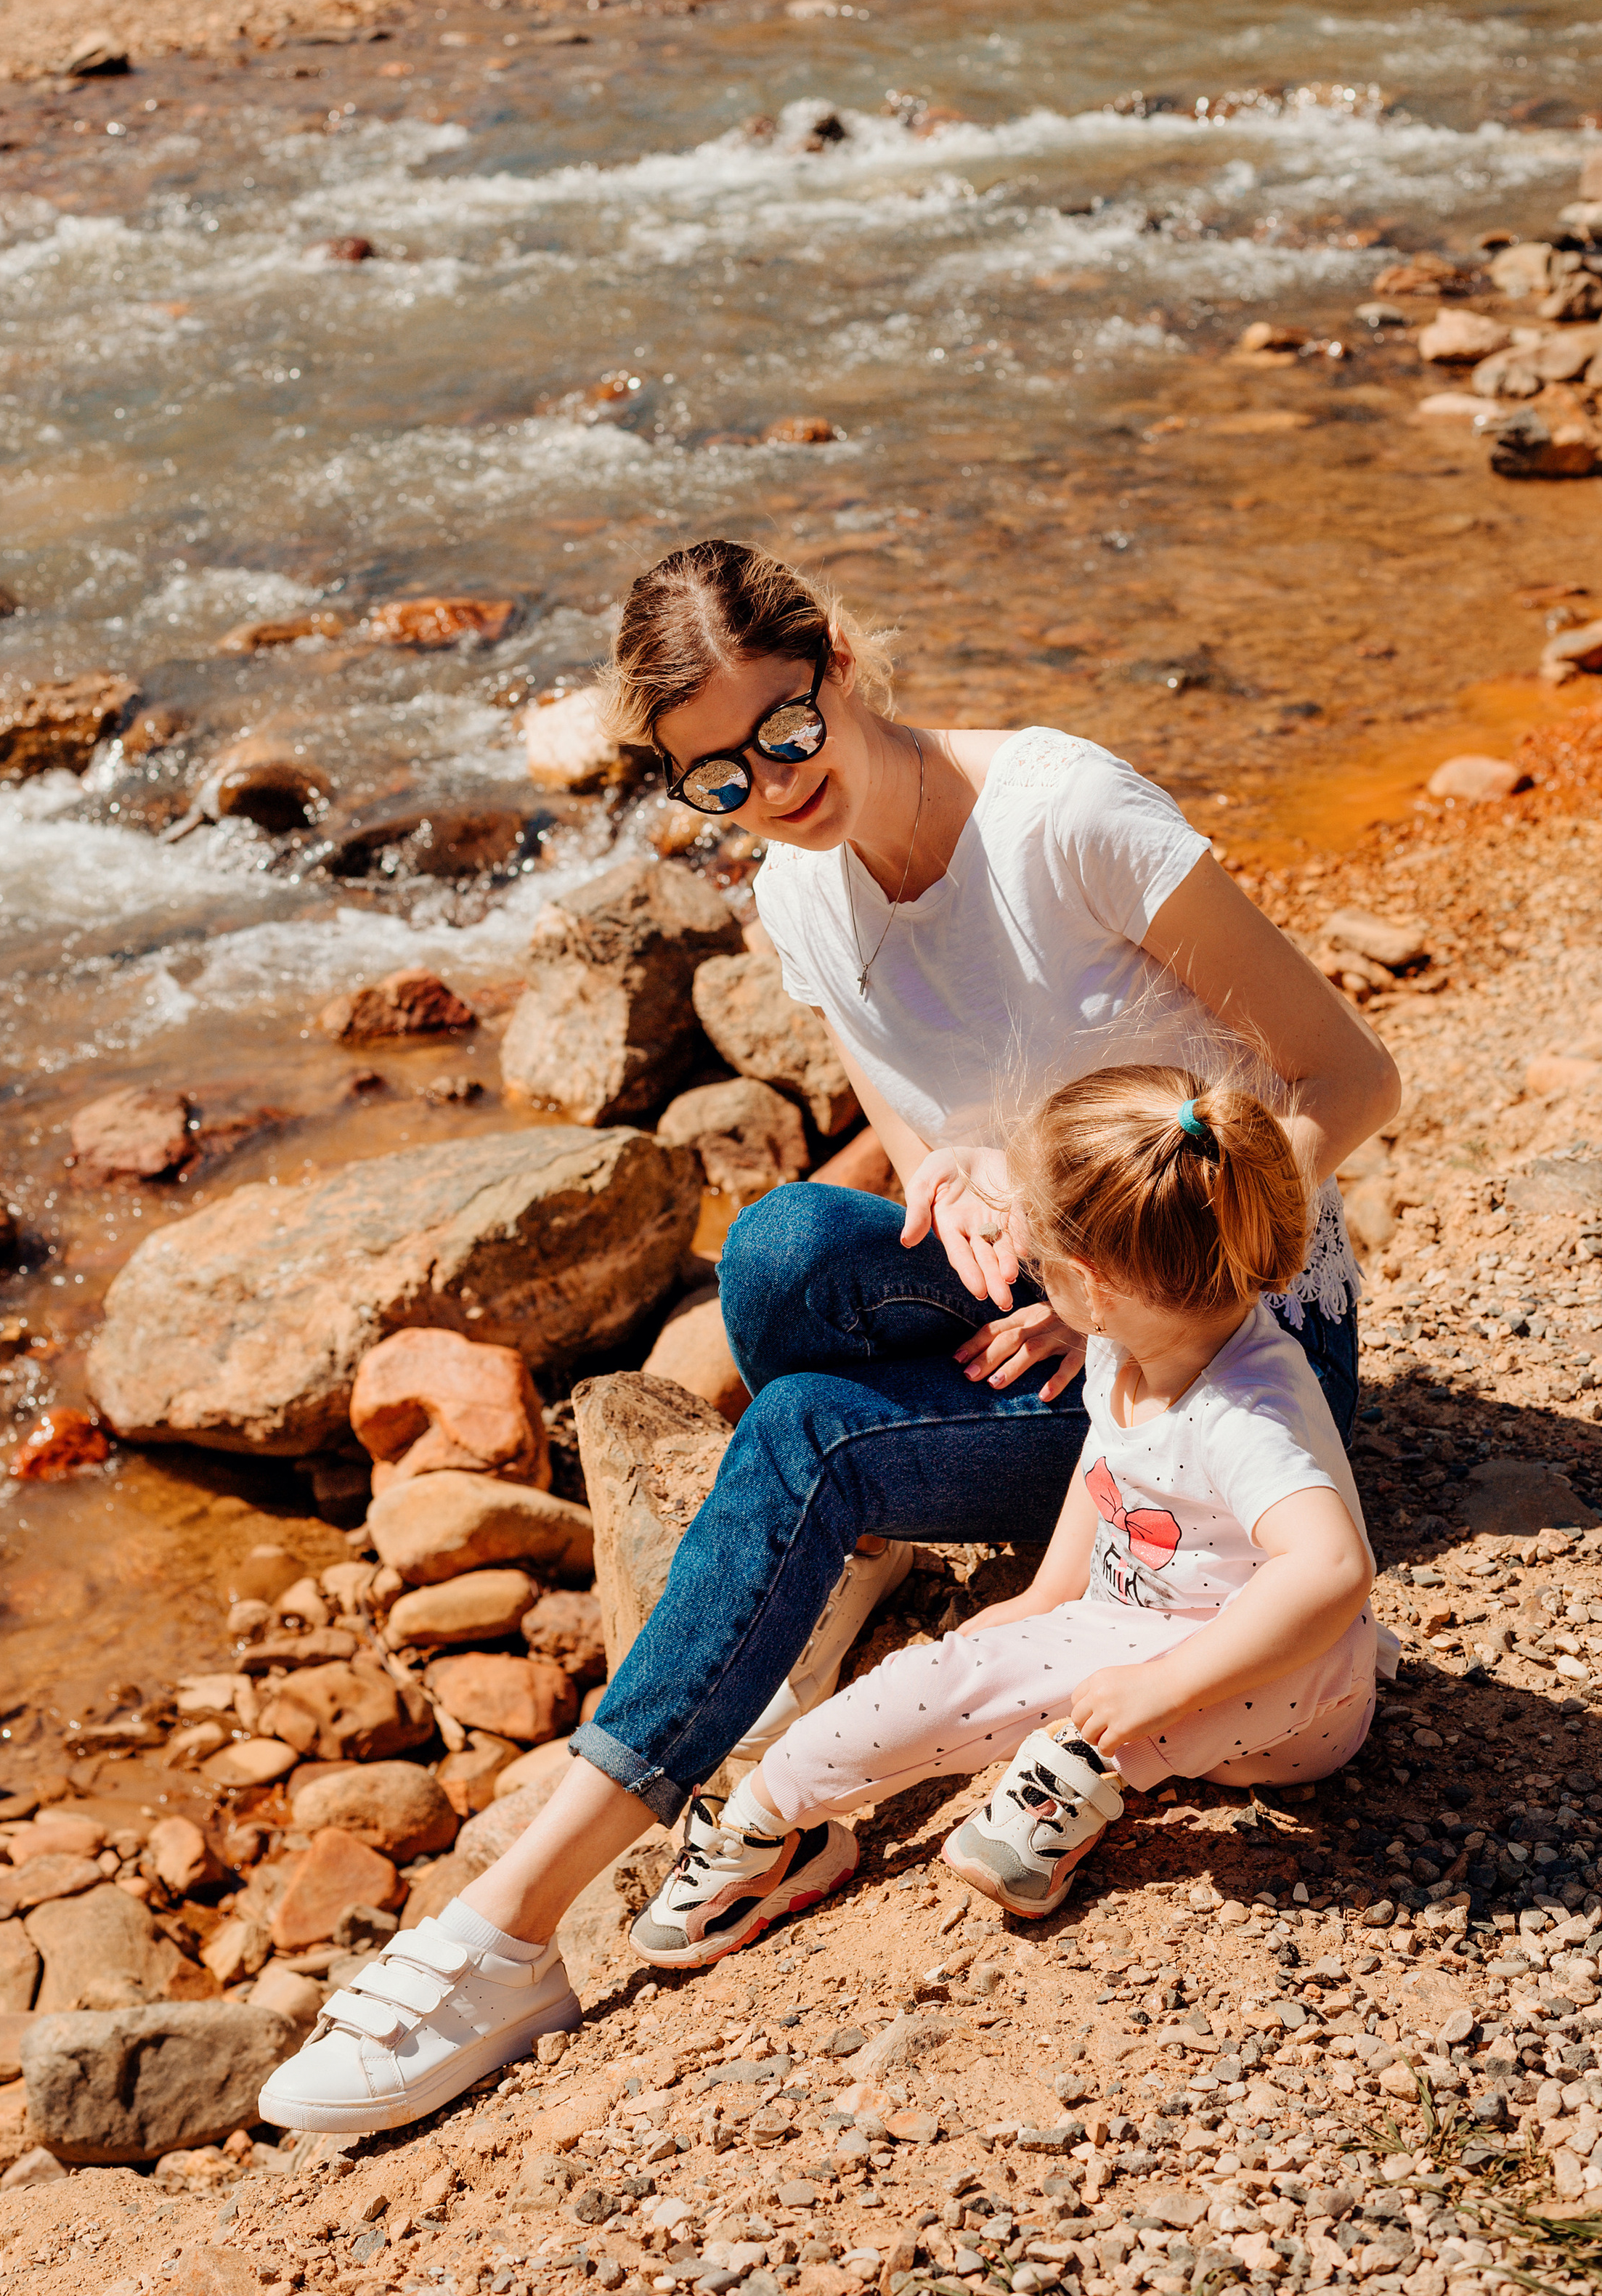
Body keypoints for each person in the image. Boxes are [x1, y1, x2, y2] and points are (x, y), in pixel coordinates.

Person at [257, 543, 1399, 2136]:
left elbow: (1349, 1080)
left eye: (783, 735)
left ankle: (505, 1928)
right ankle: (835, 1547)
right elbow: (913, 1114)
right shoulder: (794, 884)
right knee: (786, 1252)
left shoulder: (1064, 820)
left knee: (797, 1427)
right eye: (712, 773)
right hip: (1071, 1289)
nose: (765, 786)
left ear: (843, 668)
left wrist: (1143, 1321)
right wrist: (949, 1176)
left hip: (1227, 1314)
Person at [633, 1064, 1378, 1958]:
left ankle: (1077, 1775)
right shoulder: (1125, 1342)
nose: (1024, 1270)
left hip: (1276, 1707)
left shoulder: (1247, 1409)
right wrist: (1045, 1597)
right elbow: (1104, 1469)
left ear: (1092, 1284)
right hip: (1126, 1632)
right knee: (937, 1679)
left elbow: (1330, 1569)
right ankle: (772, 1815)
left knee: (1331, 1634)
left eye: (1035, 1261)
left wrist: (1169, 1685)